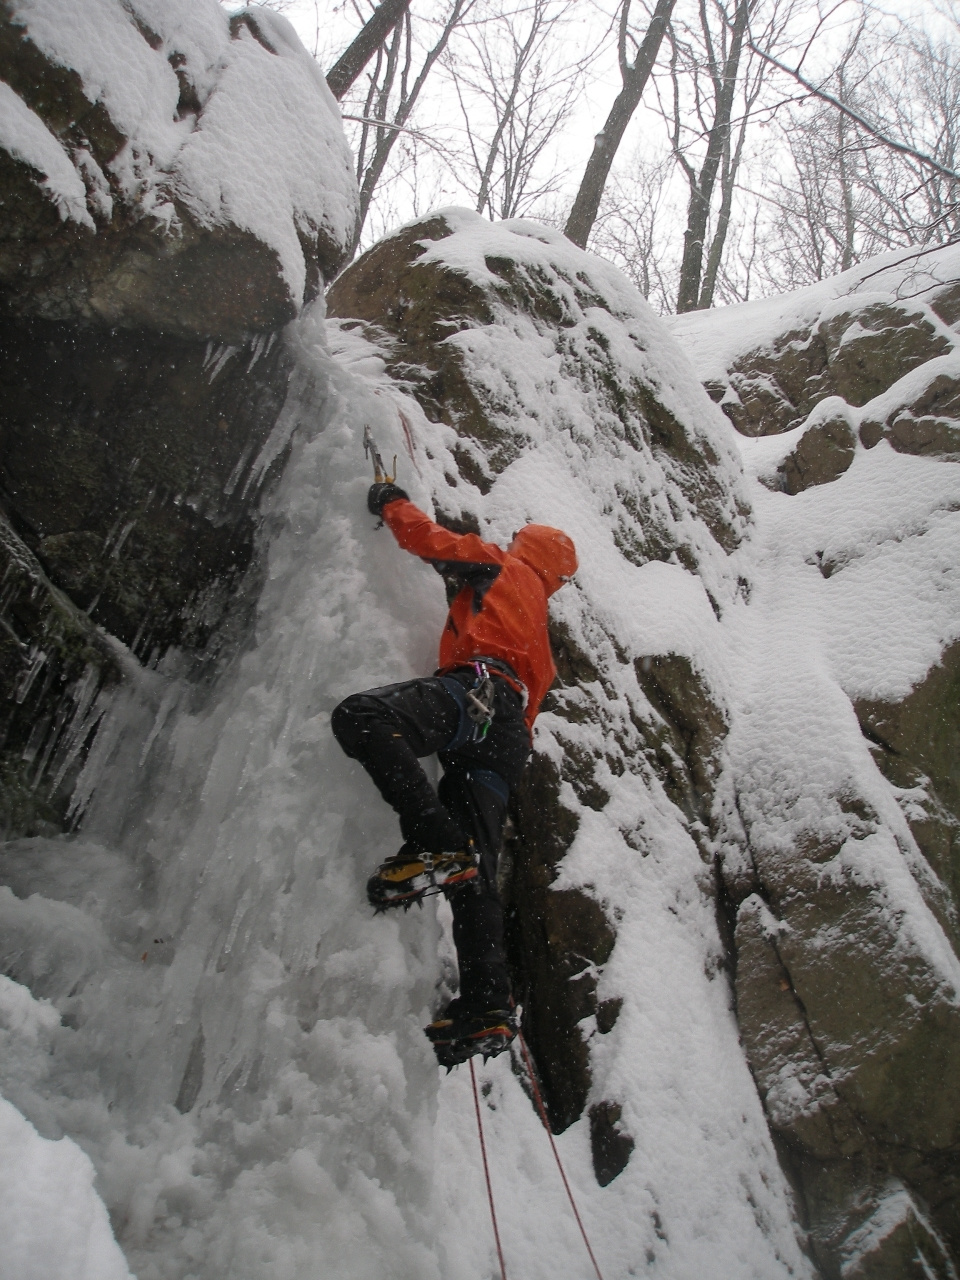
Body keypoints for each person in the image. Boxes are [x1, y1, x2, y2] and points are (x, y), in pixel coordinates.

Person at [331, 477, 578, 1067]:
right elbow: (529, 707)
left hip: (480, 694)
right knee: (477, 871)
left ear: (526, 548)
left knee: (363, 716)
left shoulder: (499, 565)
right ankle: (488, 1005)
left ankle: (435, 845)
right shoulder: (541, 634)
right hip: (509, 735)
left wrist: (389, 501)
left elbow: (433, 541)